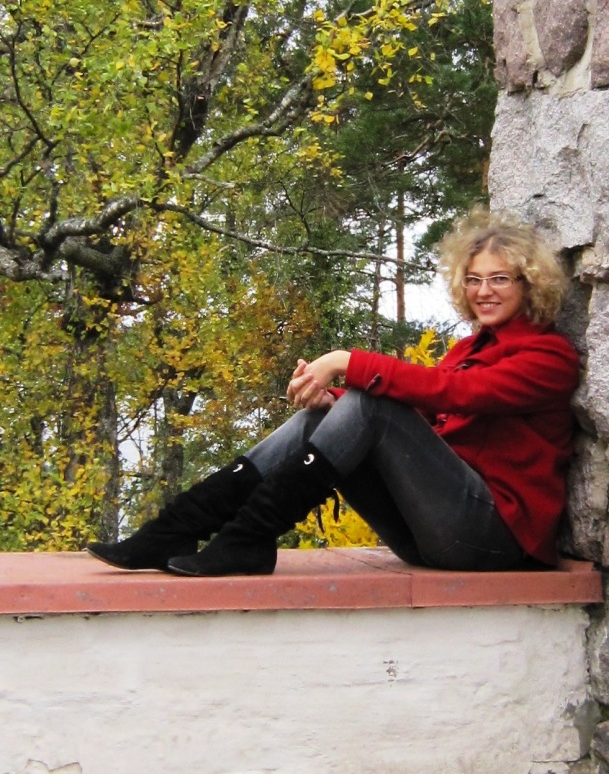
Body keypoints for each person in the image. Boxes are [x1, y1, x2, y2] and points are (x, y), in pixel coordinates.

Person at [87, 209, 580, 577]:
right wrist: (335, 407)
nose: (483, 291)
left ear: (529, 284)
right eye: (473, 280)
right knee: (319, 417)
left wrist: (346, 361)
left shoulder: (549, 357)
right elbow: (426, 421)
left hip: (490, 539)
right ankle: (177, 528)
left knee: (368, 400)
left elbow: (454, 394)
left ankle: (248, 536)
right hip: (427, 535)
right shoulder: (471, 348)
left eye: (499, 279)